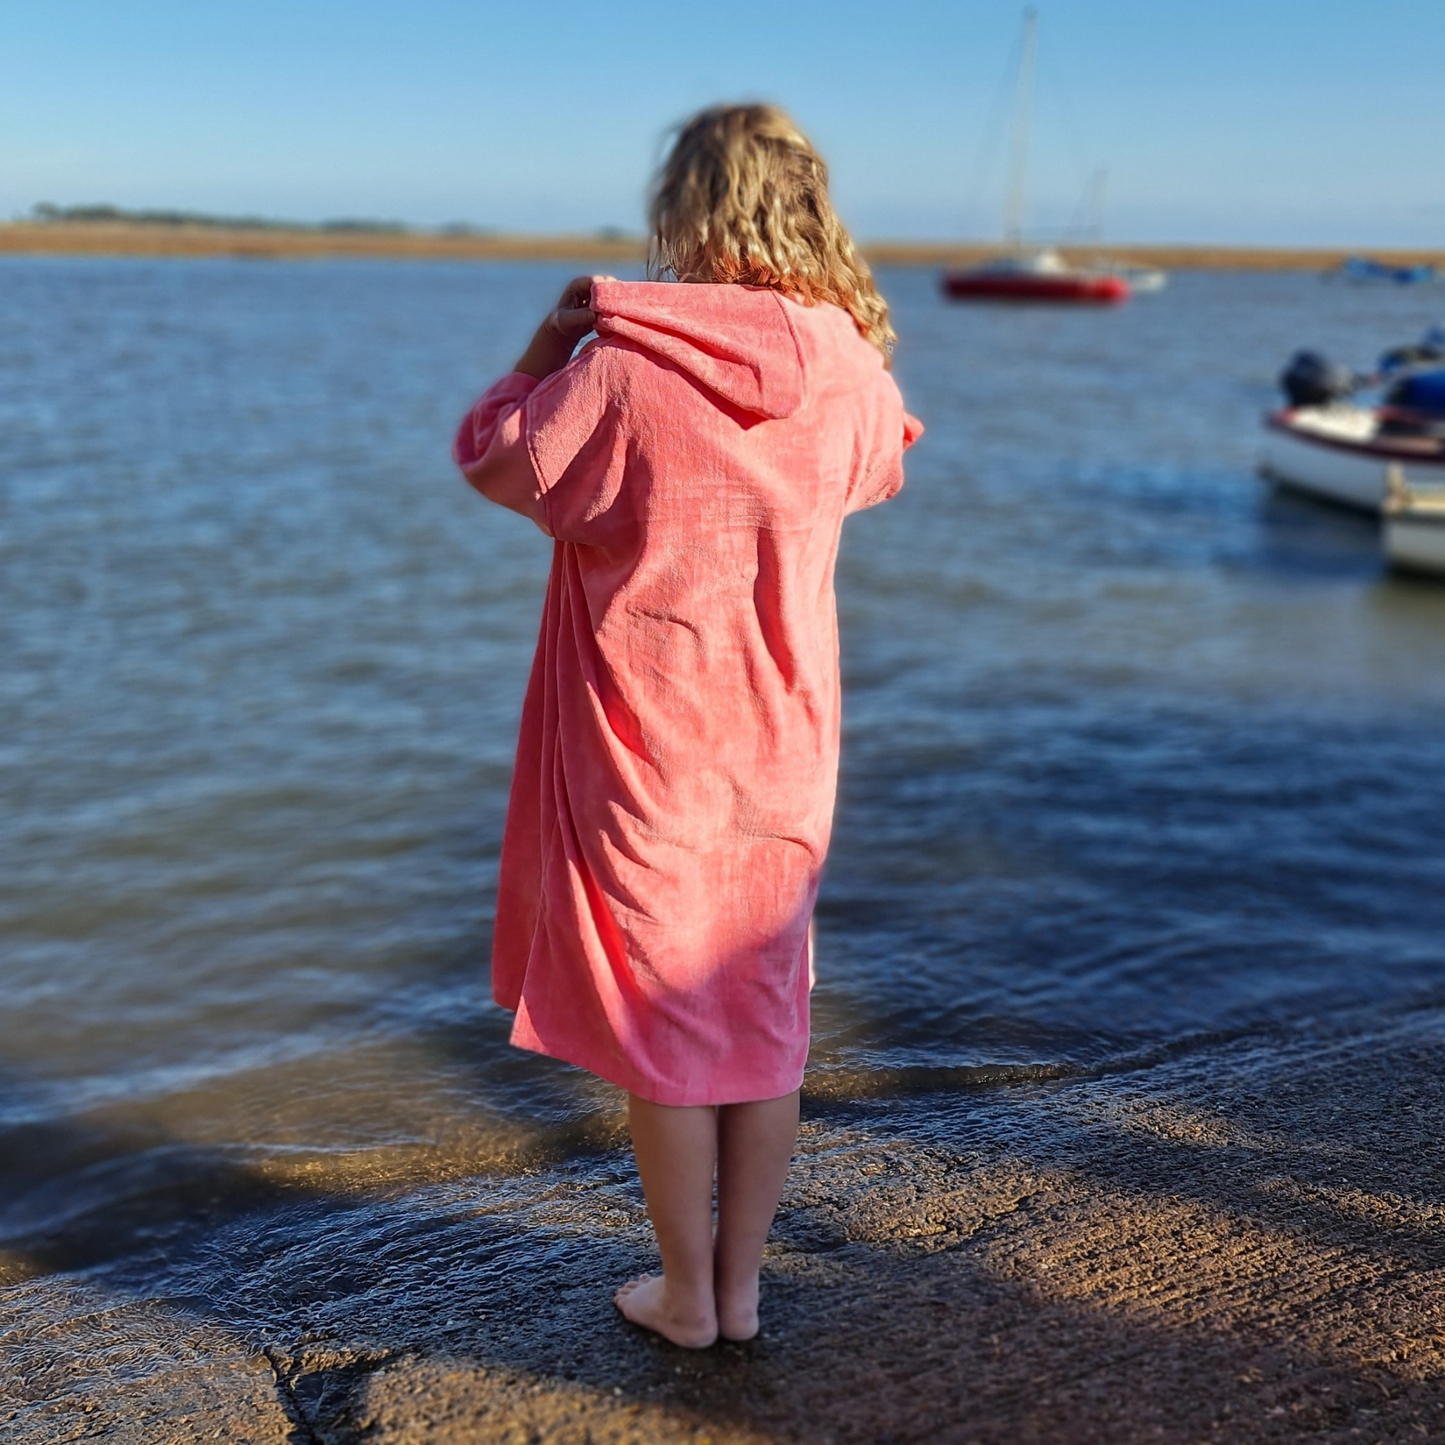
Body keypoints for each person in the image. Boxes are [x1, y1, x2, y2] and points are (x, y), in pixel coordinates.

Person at [452, 103, 921, 1349]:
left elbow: (501, 463)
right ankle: (745, 1289)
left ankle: (685, 1295)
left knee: (664, 1021)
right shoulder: (847, 365)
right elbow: (883, 467)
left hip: (645, 734)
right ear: (806, 205)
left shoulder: (620, 363)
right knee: (764, 1015)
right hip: (786, 735)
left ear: (684, 210)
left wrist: (541, 346)